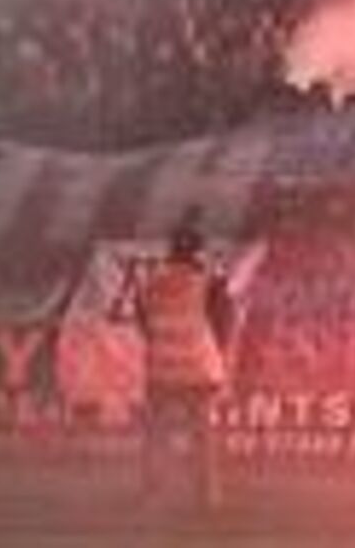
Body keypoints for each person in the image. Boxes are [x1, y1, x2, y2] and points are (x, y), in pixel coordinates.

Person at [130, 215, 237, 510]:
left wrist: (160, 344)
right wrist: (217, 350)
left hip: (161, 368)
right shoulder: (208, 282)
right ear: (197, 252)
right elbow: (225, 321)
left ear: (171, 251)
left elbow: (142, 322)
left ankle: (152, 493)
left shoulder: (151, 282)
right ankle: (207, 495)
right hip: (199, 368)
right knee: (202, 435)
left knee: (156, 435)